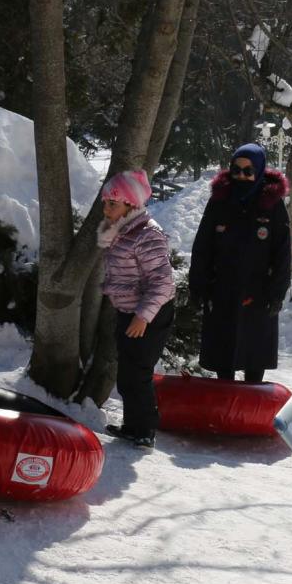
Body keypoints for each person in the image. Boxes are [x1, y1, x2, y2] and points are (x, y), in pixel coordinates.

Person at [189, 143, 292, 383]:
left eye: (248, 171)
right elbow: (203, 246)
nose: (242, 176)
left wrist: (277, 293)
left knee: (254, 357)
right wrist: (198, 286)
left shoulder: (272, 203)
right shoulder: (219, 200)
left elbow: (282, 253)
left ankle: (251, 412)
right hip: (223, 289)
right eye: (236, 170)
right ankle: (225, 410)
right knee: (223, 356)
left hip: (259, 294)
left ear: (260, 171)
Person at [98, 170, 176, 449]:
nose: (106, 209)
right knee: (128, 370)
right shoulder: (120, 231)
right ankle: (132, 425)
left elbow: (163, 282)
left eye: (113, 204)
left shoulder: (147, 235)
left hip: (151, 314)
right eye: (105, 202)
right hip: (129, 311)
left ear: (131, 205)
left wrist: (143, 316)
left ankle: (144, 430)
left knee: (139, 371)